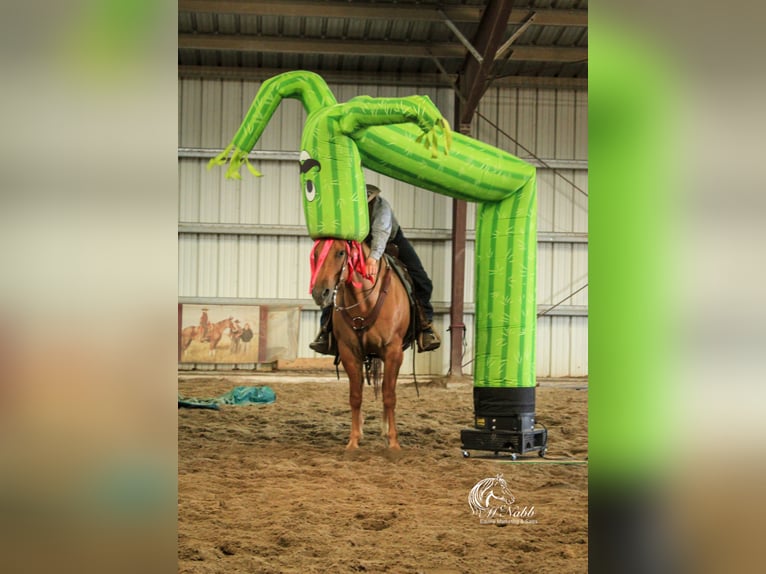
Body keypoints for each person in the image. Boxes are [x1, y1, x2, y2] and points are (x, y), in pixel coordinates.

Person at [310, 184, 441, 354]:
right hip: (355, 243)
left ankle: (425, 326)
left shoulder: (381, 207)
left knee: (421, 280)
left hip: (390, 241)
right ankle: (326, 330)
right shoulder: (343, 208)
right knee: (334, 279)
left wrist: (373, 258)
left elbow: (381, 233)